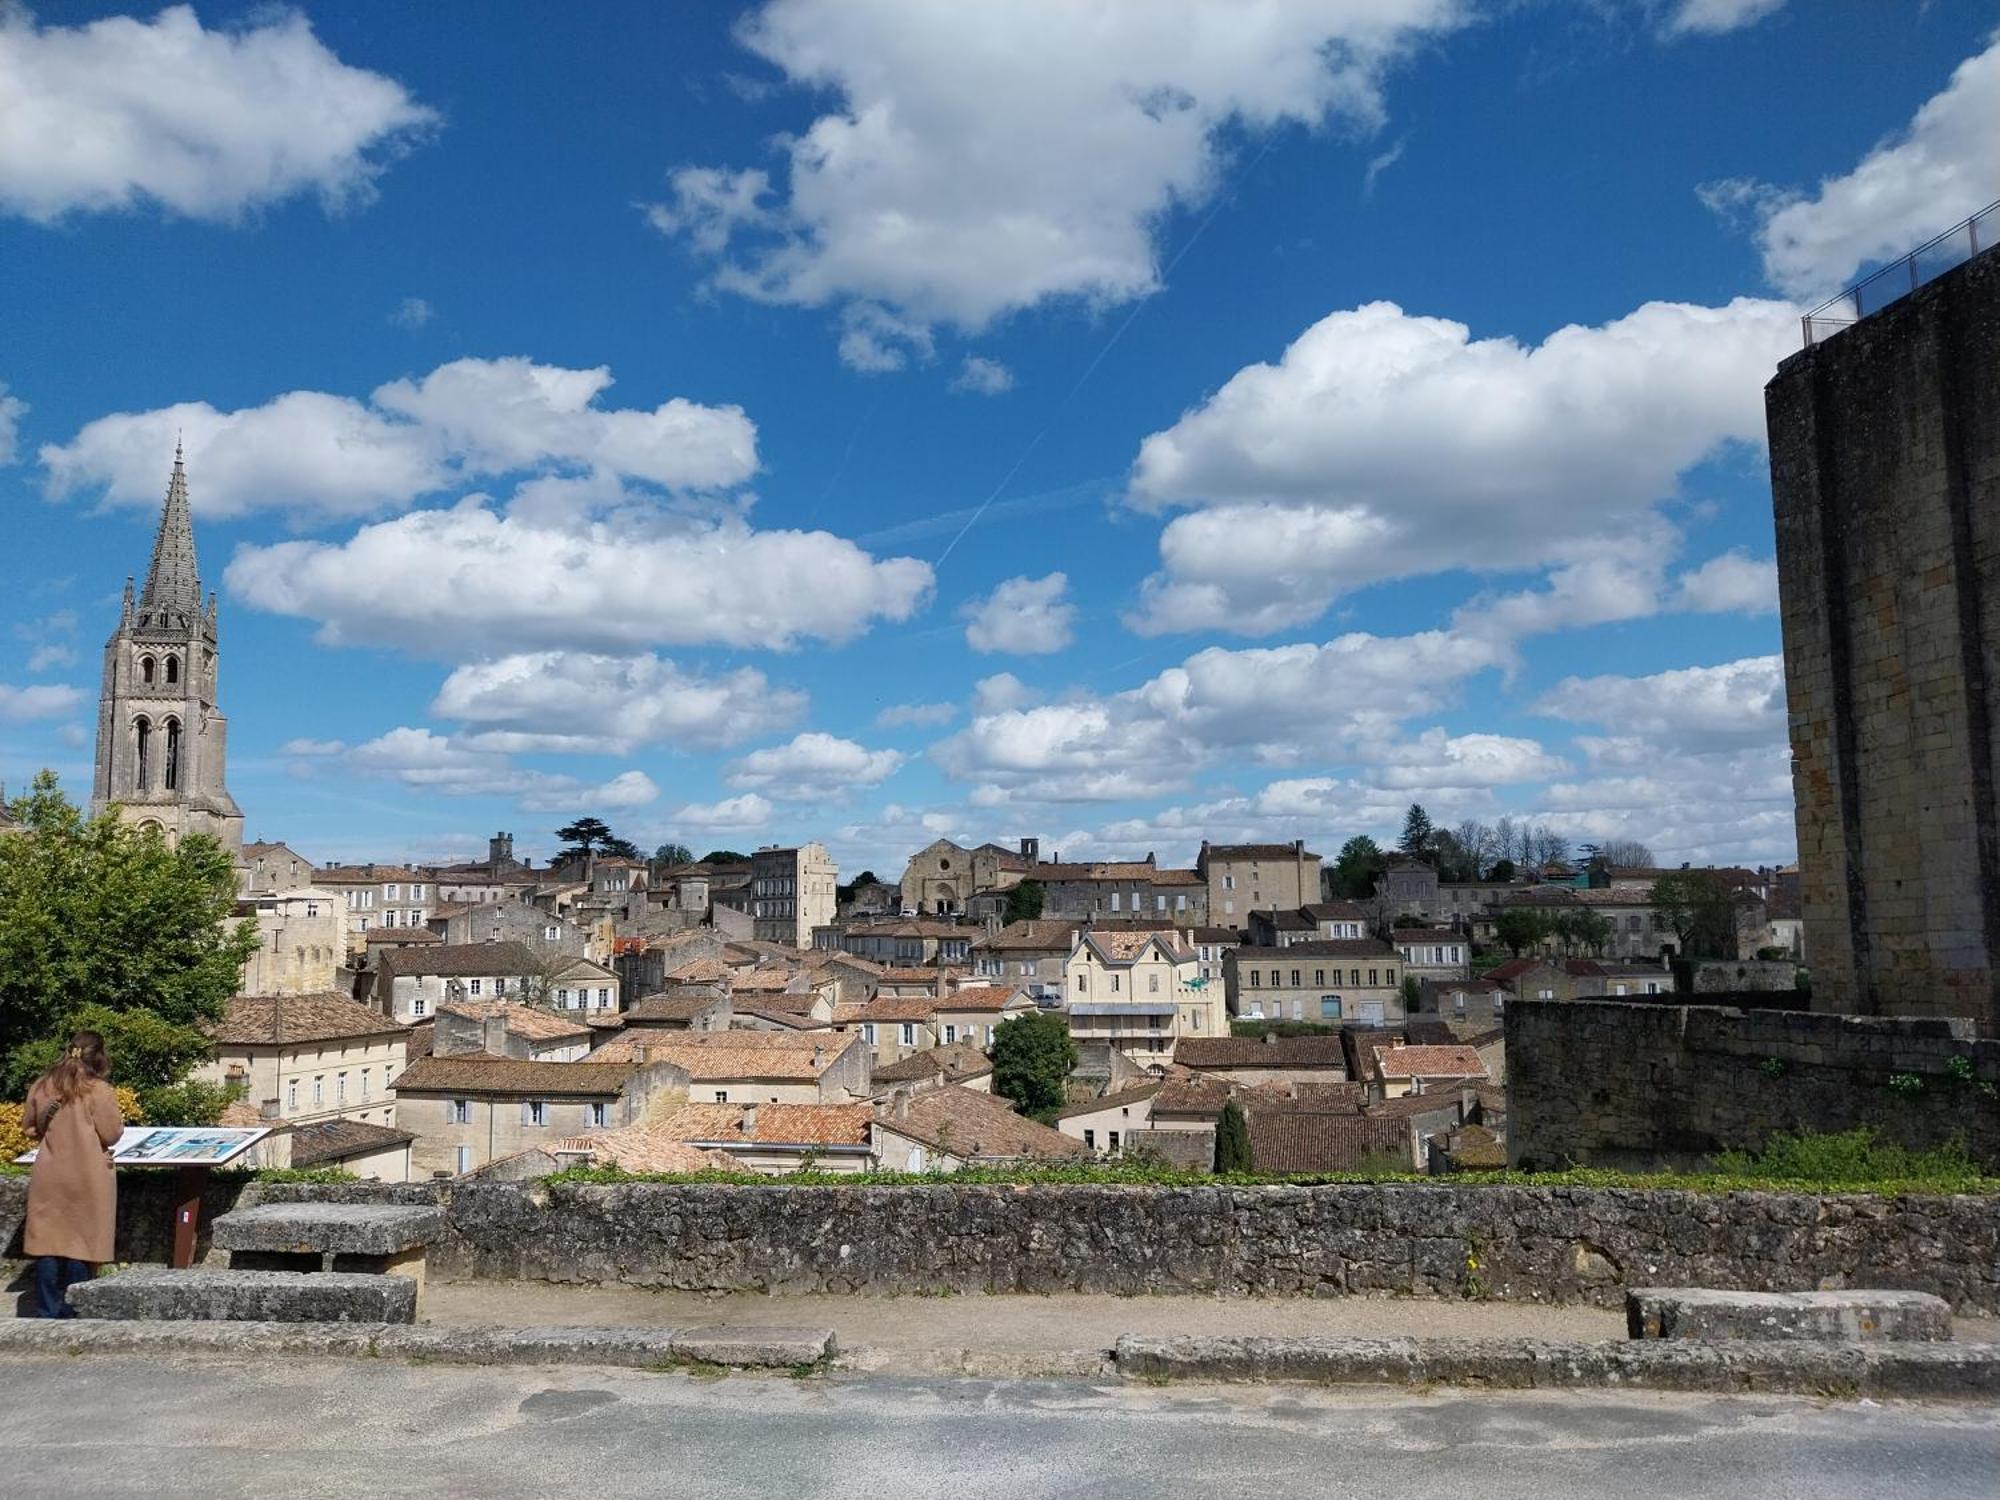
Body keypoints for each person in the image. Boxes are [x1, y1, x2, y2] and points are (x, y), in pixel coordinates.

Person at [21, 1031, 124, 1317]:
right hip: (89, 1174)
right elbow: (112, 1133)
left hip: (50, 1172)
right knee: (82, 1242)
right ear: (100, 1056)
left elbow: (29, 1127)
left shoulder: (42, 1086)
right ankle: (75, 1309)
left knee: (48, 1242)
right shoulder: (99, 1090)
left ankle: (46, 1311)